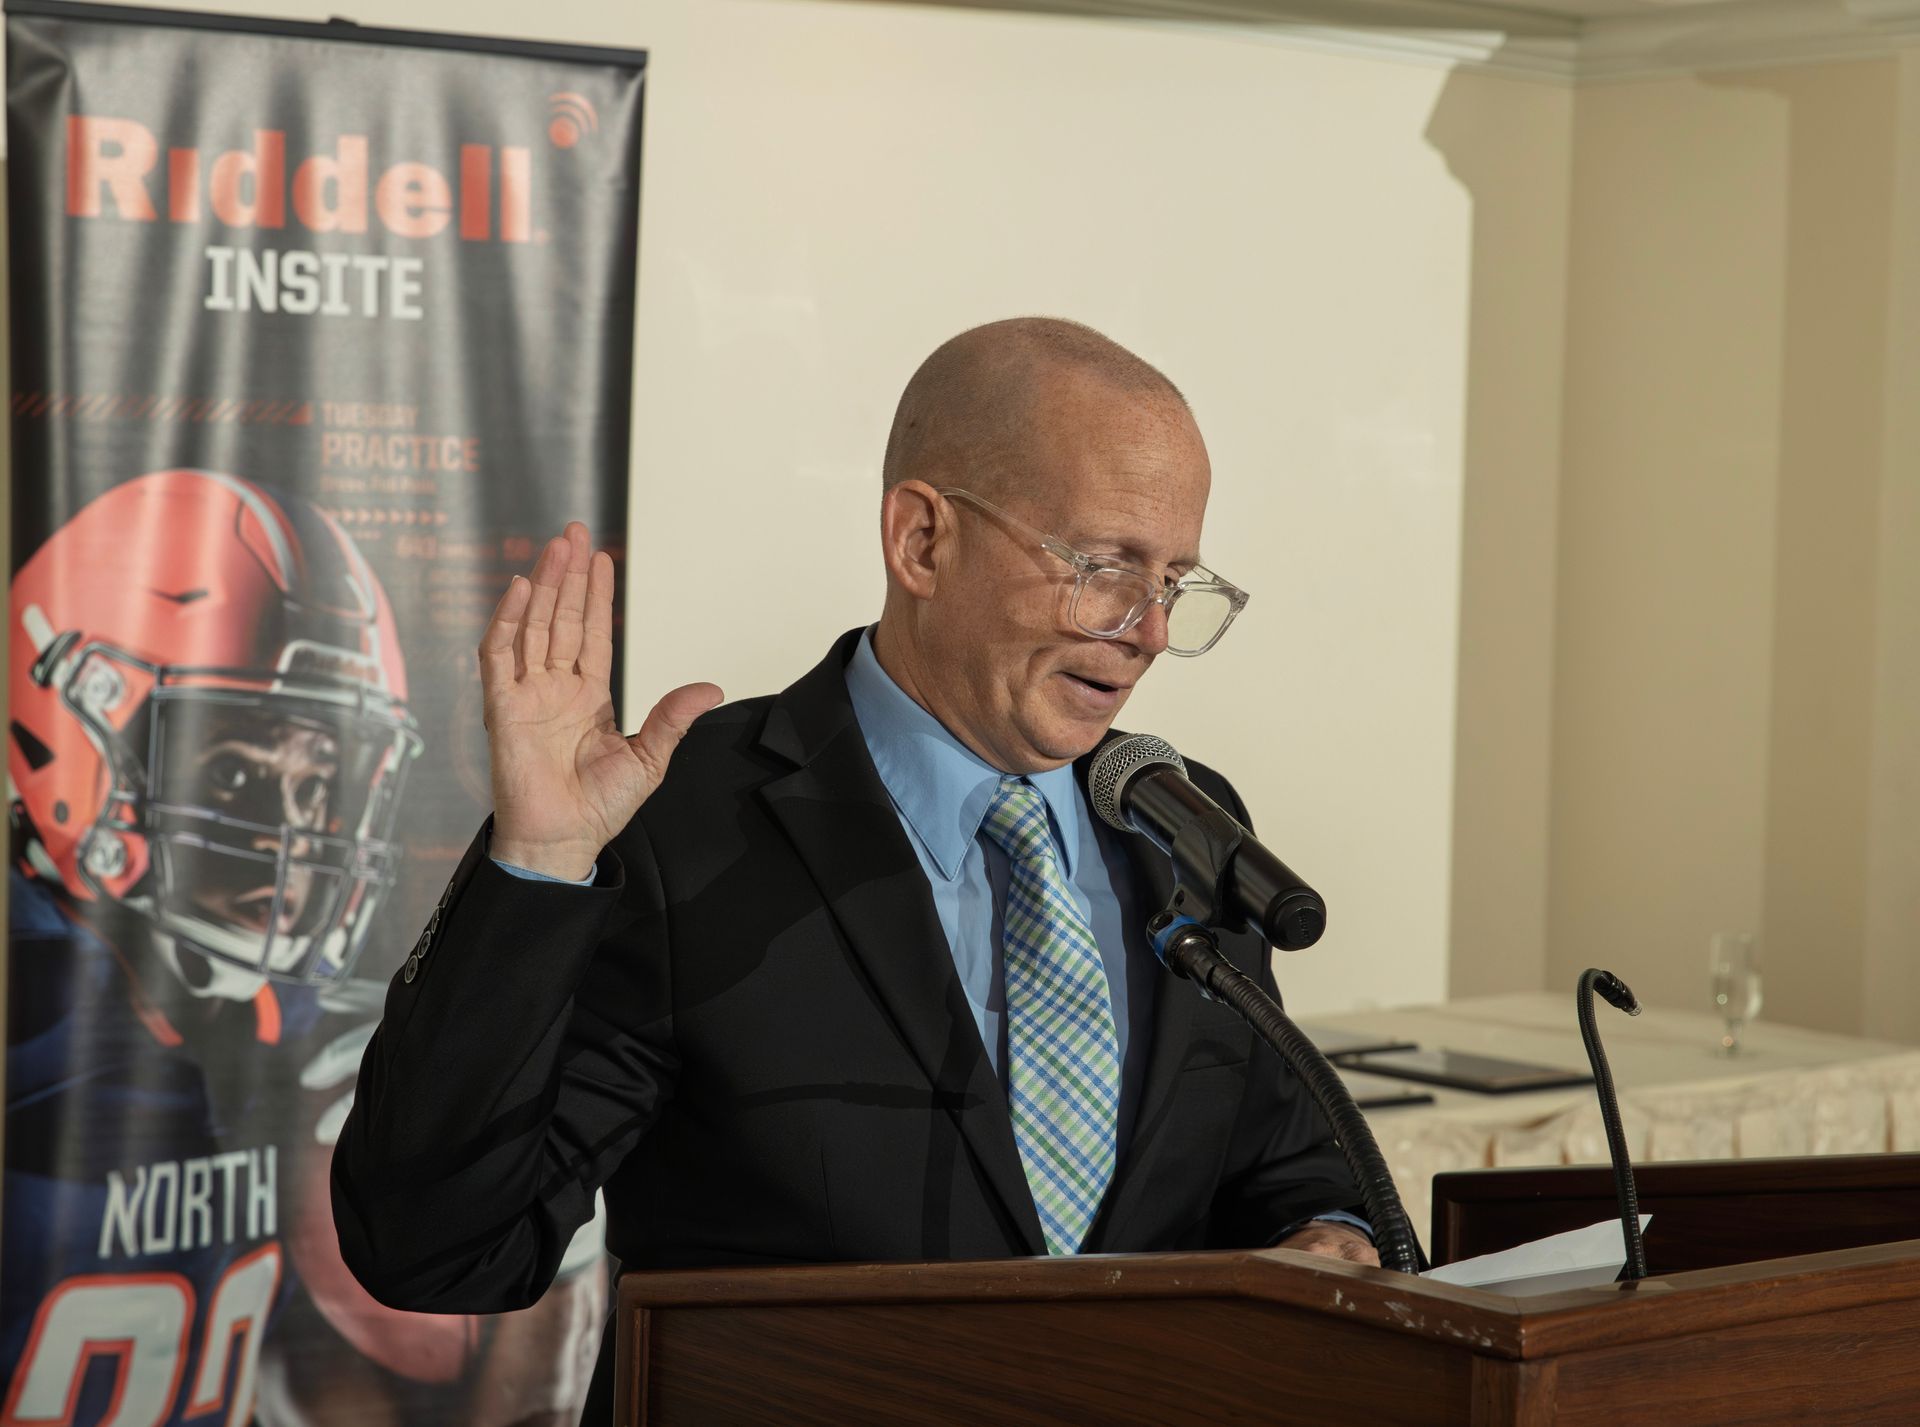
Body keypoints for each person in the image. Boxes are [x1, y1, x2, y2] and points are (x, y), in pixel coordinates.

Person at [332, 318, 1376, 1423]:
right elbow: (435, 1250)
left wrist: (1331, 1236)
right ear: (922, 540)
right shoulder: (686, 821)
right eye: (1105, 566)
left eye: (1174, 578)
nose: (1151, 629)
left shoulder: (1181, 823)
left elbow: (1294, 1162)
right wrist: (537, 865)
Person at [2, 469, 603, 1427]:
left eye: (320, 781)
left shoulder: (300, 1024)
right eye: (235, 769)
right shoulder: (34, 1015)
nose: (295, 832)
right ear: (72, 728)